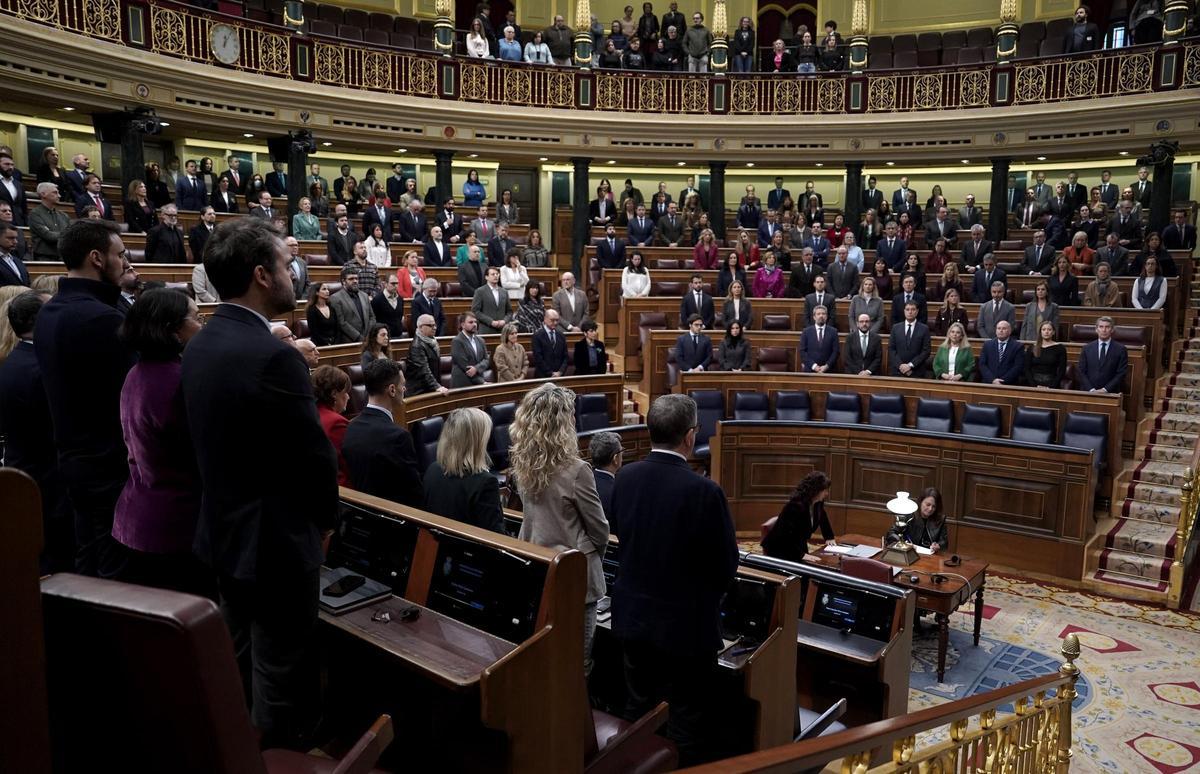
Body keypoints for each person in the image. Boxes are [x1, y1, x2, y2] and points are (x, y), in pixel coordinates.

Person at [181, 217, 337, 750]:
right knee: (282, 677)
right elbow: (314, 458)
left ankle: (236, 751)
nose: (295, 271)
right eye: (285, 263)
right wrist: (325, 525)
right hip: (276, 542)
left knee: (239, 661)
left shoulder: (199, 343)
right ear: (261, 276)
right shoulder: (275, 356)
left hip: (224, 534)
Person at [610, 392, 738, 765]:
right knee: (686, 718)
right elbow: (725, 564)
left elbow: (620, 530)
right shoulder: (704, 490)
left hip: (632, 616)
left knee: (637, 708)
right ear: (689, 436)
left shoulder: (625, 476)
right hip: (686, 627)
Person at [34, 219, 136, 578]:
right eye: (120, 254)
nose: (126, 262)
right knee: (113, 569)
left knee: (88, 558)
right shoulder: (101, 318)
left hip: (73, 459)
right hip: (108, 464)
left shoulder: (49, 311)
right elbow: (131, 395)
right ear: (97, 257)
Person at [112, 287, 210, 596]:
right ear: (173, 331)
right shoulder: (180, 381)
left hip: (137, 514)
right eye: (197, 318)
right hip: (175, 525)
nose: (203, 324)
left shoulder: (136, 373)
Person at [509, 383, 609, 674]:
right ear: (562, 423)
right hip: (575, 576)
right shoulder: (577, 470)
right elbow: (600, 531)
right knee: (578, 664)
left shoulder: (522, 462)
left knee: (548, 658)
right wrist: (592, 560)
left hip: (538, 566)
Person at [0, 290, 73, 572]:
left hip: (26, 468)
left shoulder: (14, 360)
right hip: (47, 478)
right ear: (39, 320)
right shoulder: (41, 368)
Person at [342, 359, 424, 507]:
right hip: (393, 521)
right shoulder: (398, 437)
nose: (404, 389)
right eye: (403, 385)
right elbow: (414, 492)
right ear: (392, 390)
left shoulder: (350, 427)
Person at [422, 407, 504, 533]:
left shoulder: (432, 470)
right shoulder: (485, 482)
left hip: (435, 548)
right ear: (477, 441)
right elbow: (496, 537)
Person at [762, 471, 836, 562]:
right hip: (781, 549)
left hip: (798, 545)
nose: (826, 494)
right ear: (815, 490)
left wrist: (829, 536)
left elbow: (822, 516)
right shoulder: (795, 506)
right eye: (824, 490)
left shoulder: (817, 503)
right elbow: (785, 535)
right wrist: (800, 554)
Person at [312, 365, 351, 486]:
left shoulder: (312, 412)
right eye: (345, 392)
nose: (348, 397)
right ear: (334, 393)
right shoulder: (336, 423)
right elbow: (348, 465)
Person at [886, 488, 949, 552]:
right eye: (928, 505)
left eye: (934, 506)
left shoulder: (940, 520)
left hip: (930, 556)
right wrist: (903, 543)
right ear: (920, 502)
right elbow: (891, 533)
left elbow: (944, 543)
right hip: (909, 552)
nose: (930, 509)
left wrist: (938, 546)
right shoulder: (909, 514)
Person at [1076, 316, 1128, 394]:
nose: (1104, 330)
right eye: (1101, 327)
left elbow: (1121, 373)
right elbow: (1081, 371)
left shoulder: (1120, 349)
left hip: (1110, 393)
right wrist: (1091, 390)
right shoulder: (1087, 348)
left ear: (1112, 330)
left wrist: (1105, 389)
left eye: (1107, 327)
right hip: (1088, 392)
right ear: (1096, 329)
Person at [329, 266, 376, 344]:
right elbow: (341, 322)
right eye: (351, 279)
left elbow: (372, 317)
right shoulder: (335, 298)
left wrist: (368, 334)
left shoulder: (364, 296)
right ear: (344, 281)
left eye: (356, 278)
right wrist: (358, 337)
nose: (355, 281)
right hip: (348, 341)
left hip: (367, 340)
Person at [29, 182, 72, 260]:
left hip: (63, 256)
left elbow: (71, 235)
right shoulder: (35, 214)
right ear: (43, 194)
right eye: (55, 193)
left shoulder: (64, 216)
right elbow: (48, 236)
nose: (59, 196)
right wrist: (66, 235)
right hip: (44, 257)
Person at [889, 300, 931, 378]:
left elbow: (926, 351)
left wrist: (910, 365)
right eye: (907, 309)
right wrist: (900, 365)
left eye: (913, 309)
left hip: (916, 371)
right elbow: (891, 349)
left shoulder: (924, 329)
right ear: (904, 311)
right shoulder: (895, 328)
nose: (910, 312)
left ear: (917, 311)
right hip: (897, 371)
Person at [979, 320, 1025, 385]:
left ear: (1009, 331)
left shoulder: (1018, 346)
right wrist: (992, 379)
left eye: (1004, 328)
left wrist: (1002, 381)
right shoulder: (987, 344)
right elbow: (982, 364)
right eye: (999, 328)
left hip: (1009, 384)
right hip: (989, 382)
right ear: (996, 331)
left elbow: (1018, 367)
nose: (1001, 330)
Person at [1025, 321, 1067, 389]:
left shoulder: (1060, 348)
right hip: (1032, 384)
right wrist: (1034, 386)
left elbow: (1062, 371)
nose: (1046, 332)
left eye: (1049, 329)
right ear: (1040, 332)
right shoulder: (1032, 347)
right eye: (1044, 329)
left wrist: (1051, 387)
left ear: (1053, 332)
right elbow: (1027, 369)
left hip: (1052, 384)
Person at [451, 311, 489, 387]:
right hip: (463, 385)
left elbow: (486, 360)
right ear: (462, 325)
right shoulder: (457, 341)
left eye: (475, 322)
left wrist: (476, 368)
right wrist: (482, 382)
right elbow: (466, 368)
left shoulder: (481, 340)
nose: (474, 324)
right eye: (470, 322)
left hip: (479, 383)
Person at [799, 304, 839, 373]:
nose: (821, 316)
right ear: (814, 317)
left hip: (828, 371)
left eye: (823, 314)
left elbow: (836, 352)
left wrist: (826, 366)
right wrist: (814, 366)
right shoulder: (806, 331)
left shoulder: (833, 331)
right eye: (818, 314)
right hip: (810, 370)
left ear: (826, 316)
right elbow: (803, 351)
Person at [471, 265, 512, 332]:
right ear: (486, 277)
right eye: (493, 274)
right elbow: (475, 311)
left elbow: (509, 311)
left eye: (497, 274)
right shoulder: (480, 291)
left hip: (503, 330)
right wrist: (491, 322)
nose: (496, 276)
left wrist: (504, 321)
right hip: (486, 329)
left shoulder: (504, 292)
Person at [531, 307, 569, 377]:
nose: (555, 323)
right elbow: (538, 358)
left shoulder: (561, 335)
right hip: (543, 377)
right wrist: (550, 373)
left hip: (559, 376)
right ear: (545, 319)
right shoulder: (537, 336)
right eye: (552, 320)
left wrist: (560, 372)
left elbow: (565, 357)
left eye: (557, 320)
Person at [304, 282, 340, 346]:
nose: (327, 291)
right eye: (324, 289)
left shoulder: (332, 308)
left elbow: (337, 328)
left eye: (327, 289)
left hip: (334, 343)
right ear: (317, 292)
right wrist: (326, 343)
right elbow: (314, 331)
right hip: (319, 344)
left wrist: (335, 342)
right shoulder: (312, 310)